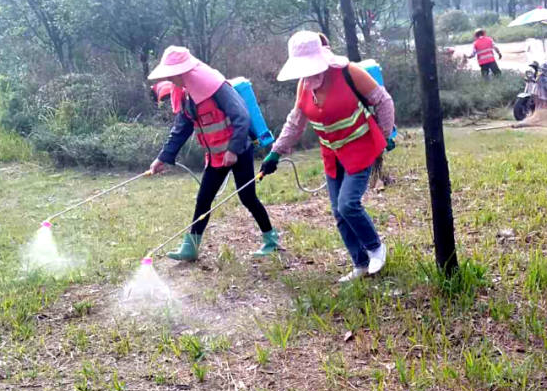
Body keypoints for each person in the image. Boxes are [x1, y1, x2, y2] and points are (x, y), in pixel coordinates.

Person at [263, 31, 395, 282]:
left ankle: (376, 247)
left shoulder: (349, 72)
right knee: (337, 211)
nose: (309, 74)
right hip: (332, 155)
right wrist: (275, 152)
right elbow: (295, 122)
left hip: (361, 148)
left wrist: (386, 134)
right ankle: (360, 263)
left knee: (348, 204)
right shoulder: (303, 85)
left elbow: (383, 101)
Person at [146, 46, 278, 261]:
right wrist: (163, 158)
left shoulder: (216, 87)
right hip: (215, 156)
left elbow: (242, 116)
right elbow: (181, 129)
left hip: (239, 151)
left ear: (183, 72)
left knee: (247, 197)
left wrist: (233, 149)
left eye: (172, 73)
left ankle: (271, 239)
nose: (169, 77)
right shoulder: (185, 95)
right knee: (203, 199)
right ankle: (190, 247)